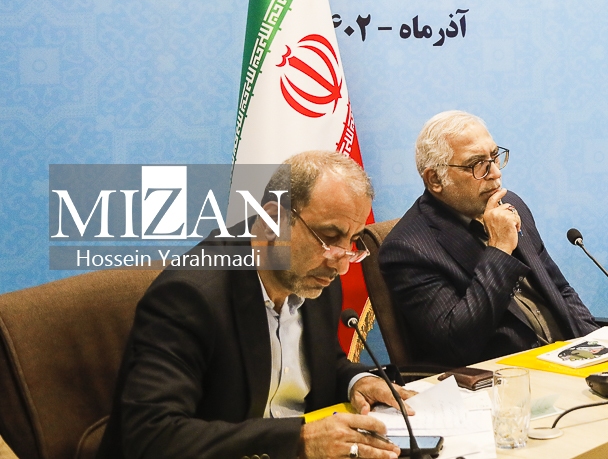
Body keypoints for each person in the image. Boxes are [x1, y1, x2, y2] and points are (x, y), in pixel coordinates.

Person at [98, 151, 409, 459]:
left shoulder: (315, 273)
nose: (342, 265)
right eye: (329, 236)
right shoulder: (189, 298)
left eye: (352, 241)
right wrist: (300, 440)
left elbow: (319, 361)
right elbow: (151, 434)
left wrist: (357, 381)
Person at [379, 111, 599, 367]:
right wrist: (500, 250)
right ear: (435, 179)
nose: (495, 173)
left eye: (494, 157)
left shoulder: (512, 203)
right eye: (477, 164)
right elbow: (457, 342)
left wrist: (597, 343)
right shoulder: (407, 250)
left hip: (571, 359)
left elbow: (560, 290)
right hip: (508, 376)